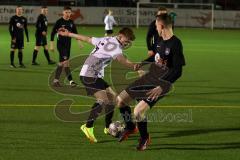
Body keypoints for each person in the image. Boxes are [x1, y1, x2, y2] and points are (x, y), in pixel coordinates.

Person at [116, 14, 185, 151]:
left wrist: (162, 86)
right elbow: (155, 56)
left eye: (156, 26)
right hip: (149, 77)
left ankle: (144, 138)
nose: (155, 28)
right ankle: (130, 128)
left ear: (161, 26)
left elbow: (177, 71)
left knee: (138, 111)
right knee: (120, 101)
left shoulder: (176, 43)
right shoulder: (159, 39)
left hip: (161, 84)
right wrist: (141, 63)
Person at [58, 27, 138, 143]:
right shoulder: (115, 45)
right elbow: (121, 59)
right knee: (104, 99)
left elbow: (87, 39)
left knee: (113, 99)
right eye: (127, 40)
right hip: (89, 75)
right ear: (120, 36)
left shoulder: (107, 39)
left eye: (129, 41)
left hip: (93, 74)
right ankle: (88, 127)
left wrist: (68, 34)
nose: (127, 43)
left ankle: (107, 127)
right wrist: (133, 66)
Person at [50, 6, 79, 87]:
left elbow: (75, 33)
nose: (68, 14)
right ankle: (71, 81)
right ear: (63, 13)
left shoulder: (71, 22)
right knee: (66, 62)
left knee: (61, 63)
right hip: (60, 45)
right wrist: (52, 45)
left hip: (68, 45)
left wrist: (79, 42)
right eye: (66, 12)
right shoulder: (59, 22)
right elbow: (52, 33)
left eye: (69, 12)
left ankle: (56, 81)